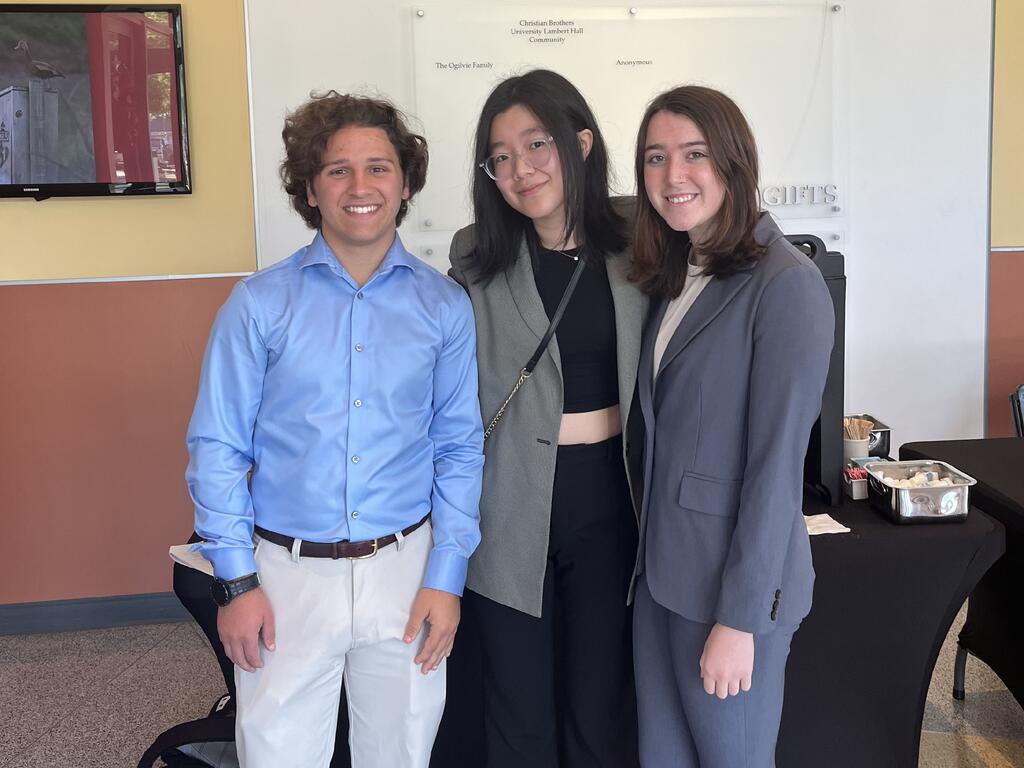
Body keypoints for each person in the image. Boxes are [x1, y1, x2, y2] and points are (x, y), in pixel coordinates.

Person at [185, 91, 484, 768]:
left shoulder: (443, 307)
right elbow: (217, 448)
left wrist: (448, 575)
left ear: (405, 184)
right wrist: (235, 583)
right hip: (284, 575)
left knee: (400, 753)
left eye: (379, 168)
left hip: (407, 570)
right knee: (277, 756)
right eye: (337, 170)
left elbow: (459, 446)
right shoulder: (259, 305)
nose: (360, 187)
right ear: (310, 189)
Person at [628, 84, 835, 767]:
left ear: (734, 160)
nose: (672, 176)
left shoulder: (786, 284)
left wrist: (741, 619)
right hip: (660, 578)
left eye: (693, 154)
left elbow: (776, 468)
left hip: (729, 592)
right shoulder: (678, 272)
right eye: (655, 158)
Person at [446, 69, 645, 768]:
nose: (520, 169)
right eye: (501, 157)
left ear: (580, 142)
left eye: (537, 145)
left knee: (599, 698)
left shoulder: (637, 244)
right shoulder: (476, 256)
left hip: (611, 500)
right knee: (517, 704)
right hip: (510, 499)